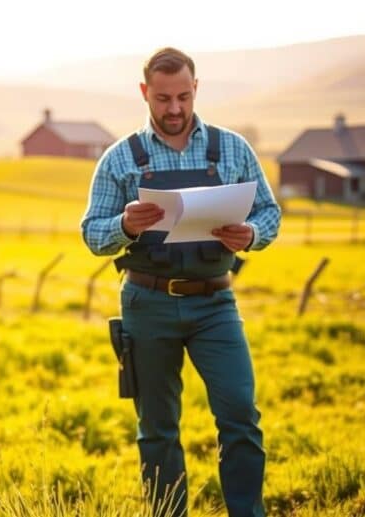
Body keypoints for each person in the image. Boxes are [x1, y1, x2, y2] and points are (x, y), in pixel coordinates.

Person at [80, 47, 281, 517]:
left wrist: (252, 233)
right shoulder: (119, 159)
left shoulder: (233, 149)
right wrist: (125, 226)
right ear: (145, 92)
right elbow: (92, 233)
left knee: (241, 419)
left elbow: (269, 211)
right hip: (147, 304)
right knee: (157, 430)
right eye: (164, 98)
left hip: (216, 305)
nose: (174, 109)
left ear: (196, 90)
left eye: (184, 97)